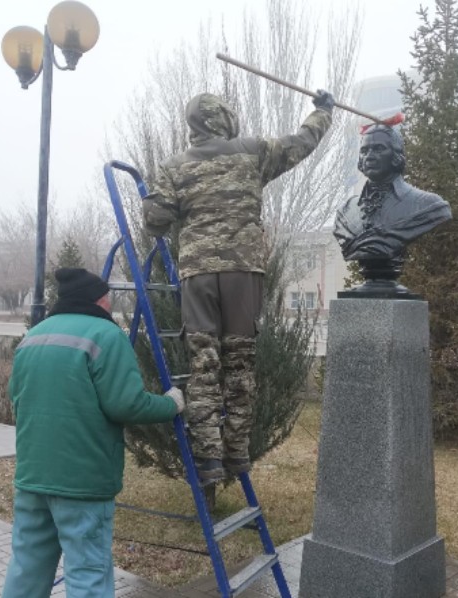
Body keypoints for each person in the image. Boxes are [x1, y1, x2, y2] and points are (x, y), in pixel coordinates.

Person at [142, 90, 335, 482]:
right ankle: (237, 455)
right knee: (240, 364)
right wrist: (322, 113)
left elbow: (155, 220)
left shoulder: (174, 167)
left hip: (198, 275)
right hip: (243, 274)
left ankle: (209, 461)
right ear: (226, 119)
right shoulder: (252, 151)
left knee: (204, 365)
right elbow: (301, 143)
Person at [2, 267, 185, 598]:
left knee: (27, 567)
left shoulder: (33, 336)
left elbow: (16, 395)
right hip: (82, 482)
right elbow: (127, 405)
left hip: (32, 476)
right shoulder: (105, 335)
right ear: (101, 300)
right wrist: (171, 404)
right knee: (88, 572)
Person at [333, 124, 451, 290]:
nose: (370, 156)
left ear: (396, 155)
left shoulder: (428, 204)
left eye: (379, 148)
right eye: (364, 150)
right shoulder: (345, 212)